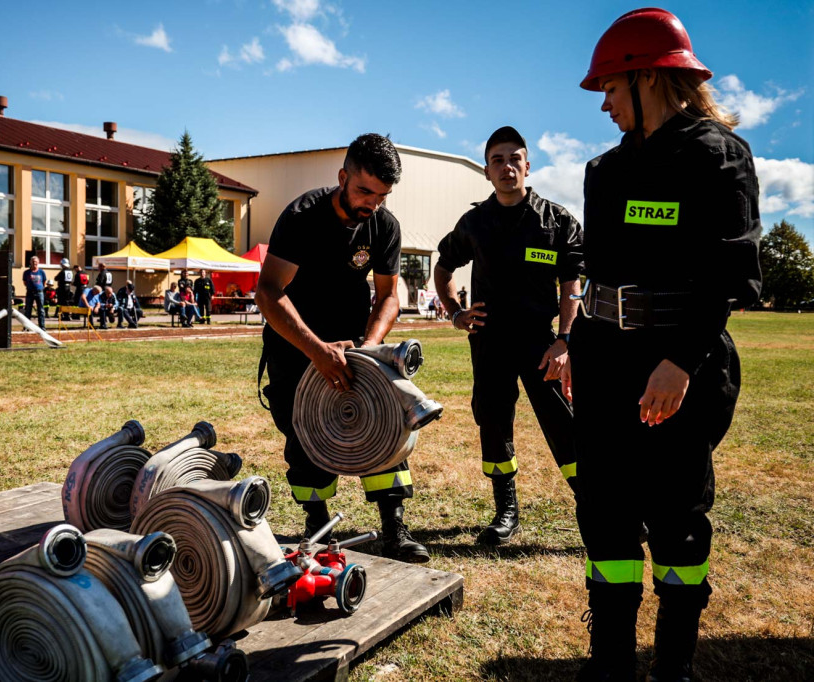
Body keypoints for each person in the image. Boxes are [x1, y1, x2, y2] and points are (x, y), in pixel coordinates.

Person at [566, 9, 762, 680]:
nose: (606, 106)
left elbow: (730, 271)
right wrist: (577, 349)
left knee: (678, 519)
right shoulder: (604, 171)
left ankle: (672, 667)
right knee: (606, 517)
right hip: (604, 360)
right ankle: (612, 663)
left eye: (612, 90)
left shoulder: (717, 155)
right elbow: (600, 274)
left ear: (647, 76)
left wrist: (679, 362)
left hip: (680, 363)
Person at [255, 133, 428, 564]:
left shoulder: (384, 225)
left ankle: (394, 528)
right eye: (364, 190)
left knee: (385, 427)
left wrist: (370, 348)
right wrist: (315, 350)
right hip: (297, 346)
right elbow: (269, 292)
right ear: (342, 177)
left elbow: (389, 296)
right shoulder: (301, 217)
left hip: (354, 345)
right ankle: (316, 526)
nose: (372, 203)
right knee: (306, 439)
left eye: (382, 195)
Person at [433, 126, 583, 545]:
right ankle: (506, 511)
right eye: (497, 160)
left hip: (542, 342)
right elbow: (443, 267)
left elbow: (573, 284)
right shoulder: (474, 223)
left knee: (563, 423)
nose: (506, 167)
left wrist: (566, 341)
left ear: (527, 166)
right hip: (489, 341)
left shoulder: (556, 222)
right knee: (494, 423)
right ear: (486, 171)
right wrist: (456, 312)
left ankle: (597, 505)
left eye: (514, 159)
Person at [22, 256, 48, 329]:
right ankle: (26, 327)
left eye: (36, 262)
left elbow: (44, 282)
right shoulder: (26, 272)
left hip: (39, 292)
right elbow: (25, 282)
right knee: (28, 310)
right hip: (30, 292)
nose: (34, 263)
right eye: (33, 261)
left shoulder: (41, 272)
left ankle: (42, 327)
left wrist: (39, 287)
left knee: (41, 310)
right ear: (30, 262)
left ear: (38, 262)